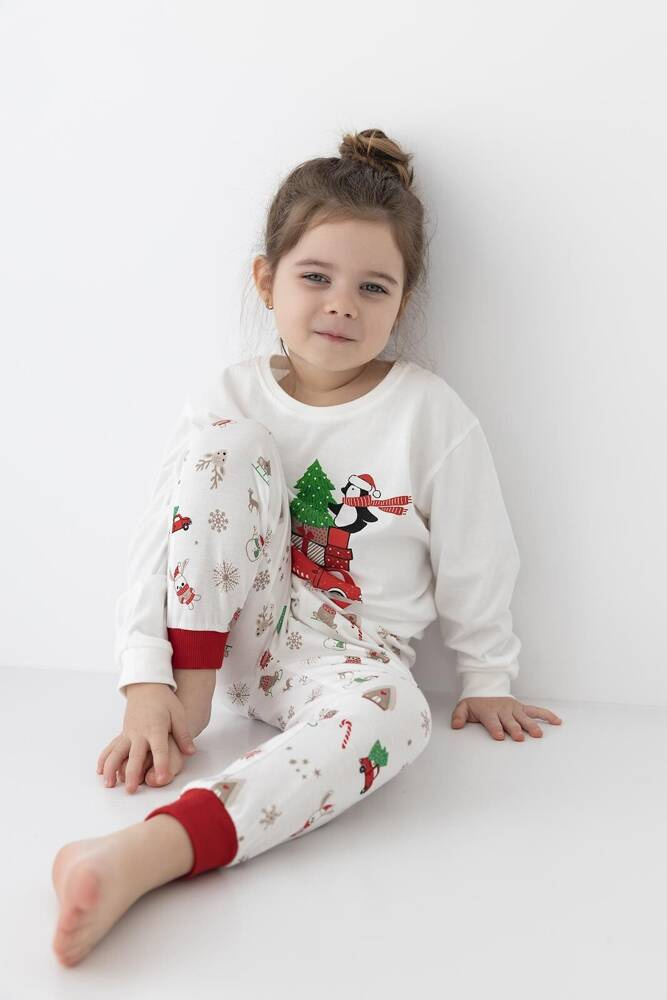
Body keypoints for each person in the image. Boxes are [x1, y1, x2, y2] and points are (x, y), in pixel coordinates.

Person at [51, 127, 562, 967]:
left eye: (372, 287)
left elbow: (477, 553)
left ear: (402, 302)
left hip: (351, 663)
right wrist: (147, 682)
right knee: (224, 445)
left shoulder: (426, 412)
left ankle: (146, 853)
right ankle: (189, 698)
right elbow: (162, 534)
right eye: (315, 277)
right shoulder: (230, 392)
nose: (341, 305)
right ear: (266, 281)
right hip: (225, 642)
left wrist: (487, 677)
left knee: (401, 714)